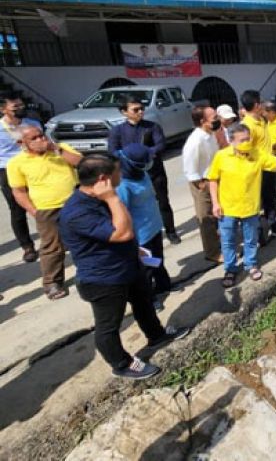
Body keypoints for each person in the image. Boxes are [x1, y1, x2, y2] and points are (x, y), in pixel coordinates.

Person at [59, 153, 189, 380]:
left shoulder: (99, 198)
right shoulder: (77, 212)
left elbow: (123, 230)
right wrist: (111, 198)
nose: (122, 174)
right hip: (104, 279)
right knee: (108, 326)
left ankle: (156, 335)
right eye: (118, 171)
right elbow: (122, 233)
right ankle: (121, 364)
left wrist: (135, 250)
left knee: (144, 303)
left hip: (128, 266)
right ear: (103, 179)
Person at [207, 123, 276, 288]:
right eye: (242, 140)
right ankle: (230, 269)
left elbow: (272, 160)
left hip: (250, 207)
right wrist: (215, 203)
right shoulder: (221, 156)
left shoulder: (256, 153)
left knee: (250, 239)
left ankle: (251, 264)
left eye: (248, 139)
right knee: (228, 241)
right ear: (231, 141)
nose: (247, 143)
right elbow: (213, 180)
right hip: (227, 208)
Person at [7, 125, 81, 299]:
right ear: (21, 143)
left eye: (41, 135)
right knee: (52, 247)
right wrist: (34, 211)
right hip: (46, 209)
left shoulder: (61, 149)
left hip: (74, 203)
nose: (41, 140)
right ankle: (52, 283)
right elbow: (19, 192)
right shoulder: (16, 163)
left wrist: (56, 149)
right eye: (34, 138)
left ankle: (89, 274)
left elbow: (81, 163)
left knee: (83, 239)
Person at [108, 94, 181, 244]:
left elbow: (160, 145)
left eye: (142, 108)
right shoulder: (117, 131)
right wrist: (130, 157)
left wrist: (145, 154)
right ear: (124, 112)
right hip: (130, 176)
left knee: (163, 201)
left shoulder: (152, 127)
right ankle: (137, 232)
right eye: (135, 110)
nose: (140, 112)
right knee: (132, 205)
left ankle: (171, 231)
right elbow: (113, 151)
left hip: (154, 171)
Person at [116, 144, 173, 310]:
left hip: (154, 227)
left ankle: (163, 285)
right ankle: (150, 299)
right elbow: (122, 214)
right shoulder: (123, 185)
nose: (150, 162)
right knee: (145, 268)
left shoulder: (141, 173)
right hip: (140, 235)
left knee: (158, 259)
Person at [240, 90, 276, 239]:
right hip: (258, 170)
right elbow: (247, 152)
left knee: (270, 199)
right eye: (261, 102)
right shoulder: (247, 126)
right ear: (256, 105)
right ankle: (259, 233)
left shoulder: (261, 120)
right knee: (258, 203)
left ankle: (274, 225)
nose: (262, 105)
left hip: (269, 166)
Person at [0, 95, 41, 262]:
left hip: (33, 167)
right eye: (15, 107)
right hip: (8, 170)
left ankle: (54, 238)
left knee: (43, 204)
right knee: (17, 210)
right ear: (3, 109)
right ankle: (27, 247)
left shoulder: (33, 124)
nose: (20, 109)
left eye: (21, 105)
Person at [182, 105, 221, 263]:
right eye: (214, 118)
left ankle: (219, 244)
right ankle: (212, 253)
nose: (217, 119)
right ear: (202, 121)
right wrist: (201, 185)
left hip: (213, 179)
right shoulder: (195, 141)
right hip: (202, 182)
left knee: (216, 215)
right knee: (206, 218)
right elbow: (189, 167)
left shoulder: (210, 134)